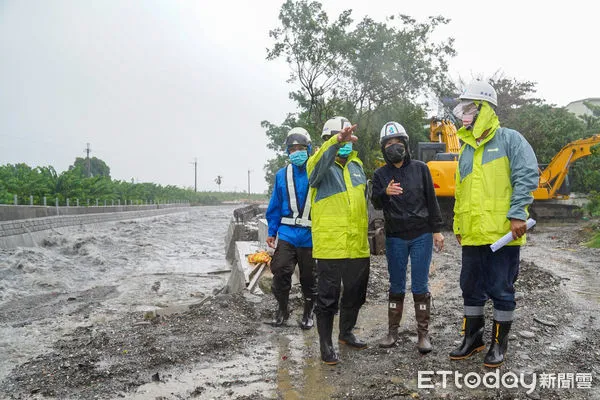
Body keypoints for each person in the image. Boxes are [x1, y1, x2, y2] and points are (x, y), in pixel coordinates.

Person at [449, 80, 539, 368]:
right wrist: (458, 226)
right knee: (470, 287)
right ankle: (473, 339)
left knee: (501, 288)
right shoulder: (465, 149)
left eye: (470, 107)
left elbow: (526, 176)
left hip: (503, 234)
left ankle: (499, 344)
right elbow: (461, 192)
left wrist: (518, 214)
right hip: (473, 235)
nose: (465, 112)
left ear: (485, 108)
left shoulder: (510, 140)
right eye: (463, 107)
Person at [371, 121, 445, 354]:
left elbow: (432, 200)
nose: (394, 147)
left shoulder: (421, 168)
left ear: (405, 143)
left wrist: (437, 230)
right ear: (383, 148)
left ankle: (423, 334)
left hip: (421, 234)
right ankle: (393, 332)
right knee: (396, 283)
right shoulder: (381, 174)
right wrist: (385, 192)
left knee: (420, 284)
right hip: (395, 237)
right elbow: (375, 202)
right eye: (389, 144)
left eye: (397, 142)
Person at [306, 116, 371, 365]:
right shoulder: (319, 166)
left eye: (346, 138)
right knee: (327, 297)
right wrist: (335, 141)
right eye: (338, 138)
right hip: (331, 245)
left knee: (356, 293)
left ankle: (346, 333)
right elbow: (312, 174)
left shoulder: (357, 166)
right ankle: (325, 343)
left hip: (357, 245)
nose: (345, 142)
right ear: (328, 140)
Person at [265, 127, 318, 330]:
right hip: (287, 232)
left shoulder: (316, 171)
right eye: (293, 148)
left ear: (309, 148)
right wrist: (272, 231)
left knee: (308, 277)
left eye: (301, 148)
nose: (297, 152)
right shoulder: (281, 175)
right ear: (288, 152)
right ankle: (282, 309)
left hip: (310, 234)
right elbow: (275, 205)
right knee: (280, 270)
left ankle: (308, 312)